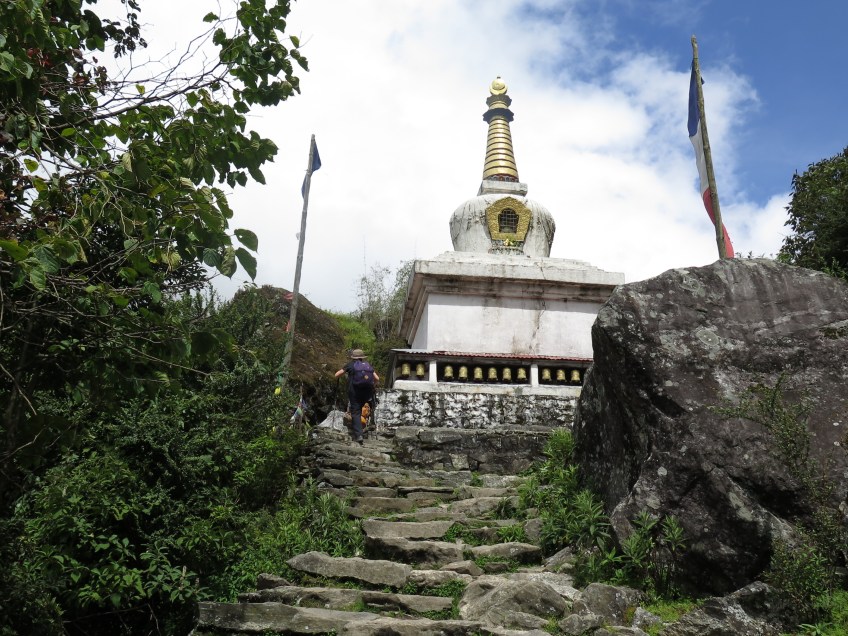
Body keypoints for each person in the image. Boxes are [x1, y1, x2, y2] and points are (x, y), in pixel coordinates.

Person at [334, 349, 379, 444]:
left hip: (355, 392)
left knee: (356, 412)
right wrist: (372, 386)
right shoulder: (367, 365)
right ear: (362, 357)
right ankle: (367, 427)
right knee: (364, 408)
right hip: (367, 393)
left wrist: (339, 377)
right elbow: (377, 378)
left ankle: (359, 435)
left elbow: (337, 374)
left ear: (353, 357)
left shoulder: (351, 364)